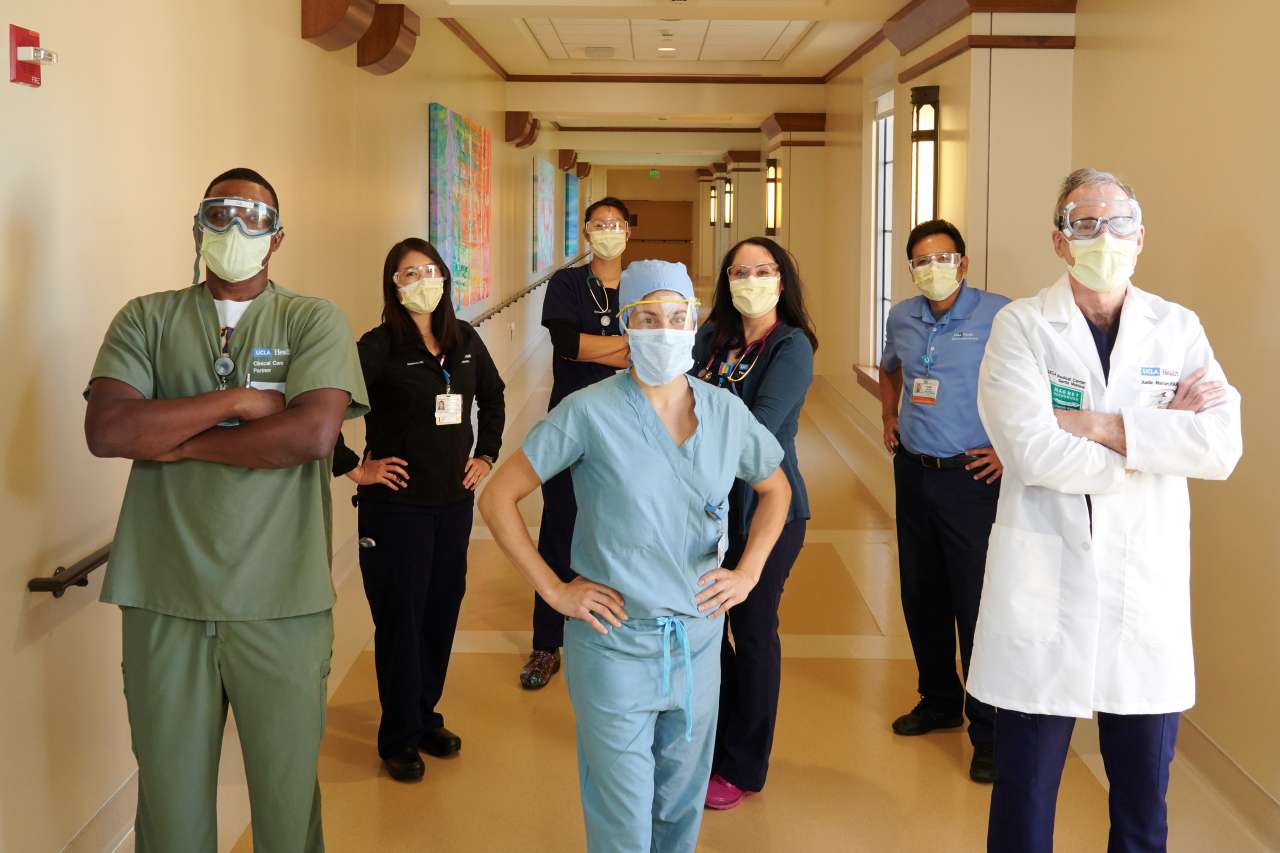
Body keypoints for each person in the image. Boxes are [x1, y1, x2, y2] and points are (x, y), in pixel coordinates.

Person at [84, 167, 368, 851]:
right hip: (164, 596)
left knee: (285, 801)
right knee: (170, 806)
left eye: (255, 216)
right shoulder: (146, 317)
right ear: (197, 226)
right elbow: (110, 429)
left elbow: (311, 435)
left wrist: (178, 441)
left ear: (277, 237)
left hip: (281, 600)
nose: (236, 227)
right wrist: (238, 402)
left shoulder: (312, 319)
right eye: (220, 213)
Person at [970, 168, 1243, 852]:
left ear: (1141, 237)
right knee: (1025, 797)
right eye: (1084, 222)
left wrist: (1093, 424)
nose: (1104, 236)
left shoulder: (1177, 328)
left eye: (1119, 222)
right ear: (1059, 241)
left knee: (1143, 801)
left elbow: (1219, 446)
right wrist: (1153, 439)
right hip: (1043, 581)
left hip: (1142, 593)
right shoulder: (1021, 326)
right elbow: (1031, 452)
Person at [479, 261, 791, 852]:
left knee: (679, 803)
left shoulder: (724, 412)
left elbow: (776, 488)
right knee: (621, 813)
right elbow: (497, 497)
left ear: (694, 323)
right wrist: (555, 590)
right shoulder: (588, 411)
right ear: (626, 326)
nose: (663, 329)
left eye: (676, 316)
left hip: (697, 641)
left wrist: (748, 571)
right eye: (646, 318)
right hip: (615, 643)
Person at [331, 237, 505, 782]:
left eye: (429, 270)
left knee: (440, 614)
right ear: (394, 286)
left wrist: (486, 454)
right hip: (396, 510)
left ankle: (425, 716)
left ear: (445, 278)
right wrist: (354, 467)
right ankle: (398, 736)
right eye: (409, 274)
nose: (422, 281)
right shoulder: (378, 346)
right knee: (400, 622)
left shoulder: (464, 339)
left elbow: (493, 397)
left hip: (452, 505)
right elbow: (322, 403)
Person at [878, 219, 1011, 784]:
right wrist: (889, 414)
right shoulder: (902, 317)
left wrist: (1009, 450)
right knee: (921, 592)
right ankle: (938, 701)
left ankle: (990, 732)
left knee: (975, 602)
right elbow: (890, 369)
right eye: (922, 261)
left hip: (971, 480)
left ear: (963, 263)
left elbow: (1034, 386)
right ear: (911, 270)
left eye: (943, 258)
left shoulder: (1000, 316)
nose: (933, 269)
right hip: (914, 471)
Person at [691, 237, 817, 809]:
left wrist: (692, 421)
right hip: (705, 507)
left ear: (781, 281)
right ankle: (713, 744)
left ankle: (744, 766)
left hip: (765, 509)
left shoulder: (791, 346)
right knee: (709, 629)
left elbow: (759, 429)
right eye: (739, 272)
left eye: (762, 271)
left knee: (754, 630)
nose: (750, 281)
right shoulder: (712, 338)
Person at [521, 196, 633, 690]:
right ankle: (546, 644)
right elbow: (568, 345)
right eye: (599, 224)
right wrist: (626, 349)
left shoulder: (640, 285)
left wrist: (595, 349)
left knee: (624, 528)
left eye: (616, 223)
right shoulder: (567, 283)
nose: (608, 231)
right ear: (586, 231)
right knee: (560, 525)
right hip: (572, 422)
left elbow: (652, 350)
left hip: (629, 423)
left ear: (628, 230)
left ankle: (618, 634)